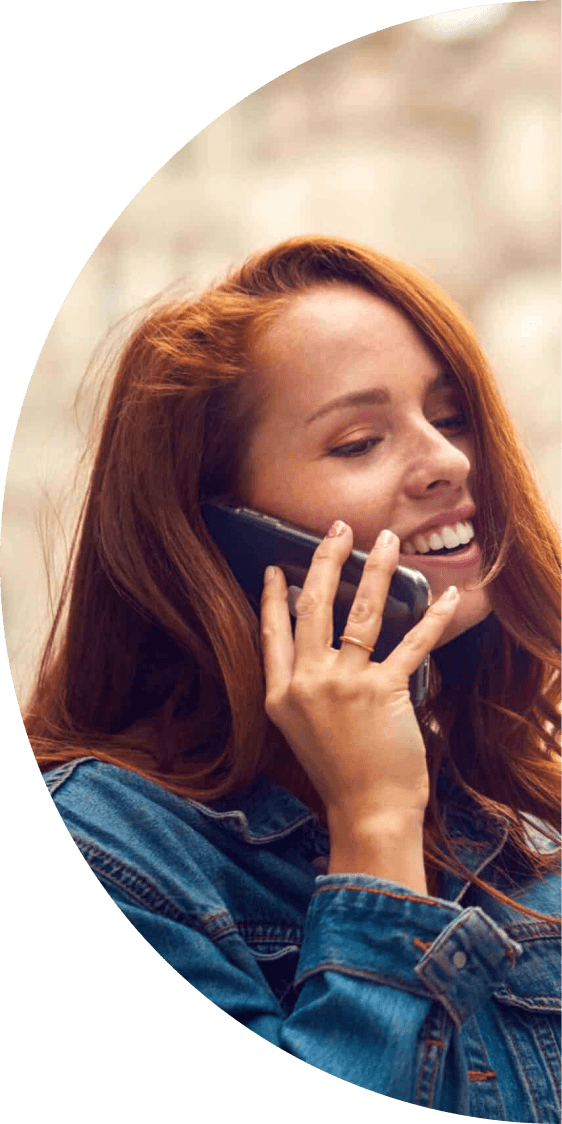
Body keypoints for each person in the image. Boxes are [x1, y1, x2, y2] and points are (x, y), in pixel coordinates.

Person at [25, 236, 560, 1118]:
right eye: (359, 441)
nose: (450, 461)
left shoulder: (527, 828)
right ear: (222, 537)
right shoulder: (113, 851)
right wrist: (375, 825)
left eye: (452, 416)